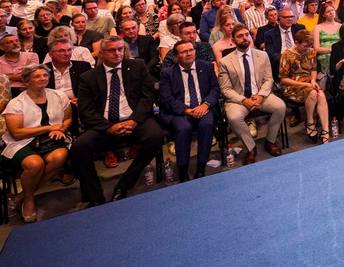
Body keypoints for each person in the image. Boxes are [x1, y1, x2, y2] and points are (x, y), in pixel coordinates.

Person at [69, 35, 164, 206]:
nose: (117, 53)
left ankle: (124, 184)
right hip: (105, 125)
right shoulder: (88, 77)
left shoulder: (137, 66)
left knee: (156, 136)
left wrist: (134, 121)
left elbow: (147, 97)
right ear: (102, 54)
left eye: (120, 49)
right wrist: (109, 127)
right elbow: (86, 111)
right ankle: (95, 195)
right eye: (112, 50)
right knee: (78, 147)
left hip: (134, 120)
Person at [1, 65, 72, 223]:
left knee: (60, 156)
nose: (43, 78)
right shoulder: (16, 103)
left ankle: (22, 196)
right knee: (35, 164)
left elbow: (67, 119)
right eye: (37, 76)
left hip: (51, 139)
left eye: (45, 75)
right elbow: (16, 133)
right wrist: (50, 127)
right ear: (26, 82)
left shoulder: (59, 95)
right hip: (22, 142)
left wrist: (62, 128)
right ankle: (29, 200)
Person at [217, 24, 285, 164]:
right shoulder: (225, 62)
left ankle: (270, 141)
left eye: (247, 34)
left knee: (280, 106)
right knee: (234, 117)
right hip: (239, 99)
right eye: (240, 36)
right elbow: (225, 89)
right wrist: (243, 100)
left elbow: (268, 79)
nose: (244, 38)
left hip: (261, 95)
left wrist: (260, 96)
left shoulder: (262, 55)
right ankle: (251, 147)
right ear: (233, 40)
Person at [158, 39, 219, 182]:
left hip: (203, 107)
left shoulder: (206, 67)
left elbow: (215, 90)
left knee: (207, 124)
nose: (189, 53)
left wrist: (205, 105)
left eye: (191, 50)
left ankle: (201, 167)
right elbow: (166, 99)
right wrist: (187, 110)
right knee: (183, 128)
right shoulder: (167, 73)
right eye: (184, 51)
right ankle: (183, 170)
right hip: (180, 111)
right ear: (176, 56)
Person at [280, 30, 330, 143]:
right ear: (296, 43)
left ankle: (325, 130)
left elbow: (313, 69)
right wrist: (305, 84)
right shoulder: (286, 55)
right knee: (312, 93)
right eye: (305, 46)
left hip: (308, 82)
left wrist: (312, 80)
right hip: (292, 85)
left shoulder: (311, 51)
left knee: (321, 95)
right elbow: (283, 79)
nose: (308, 48)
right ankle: (310, 121)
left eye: (309, 46)